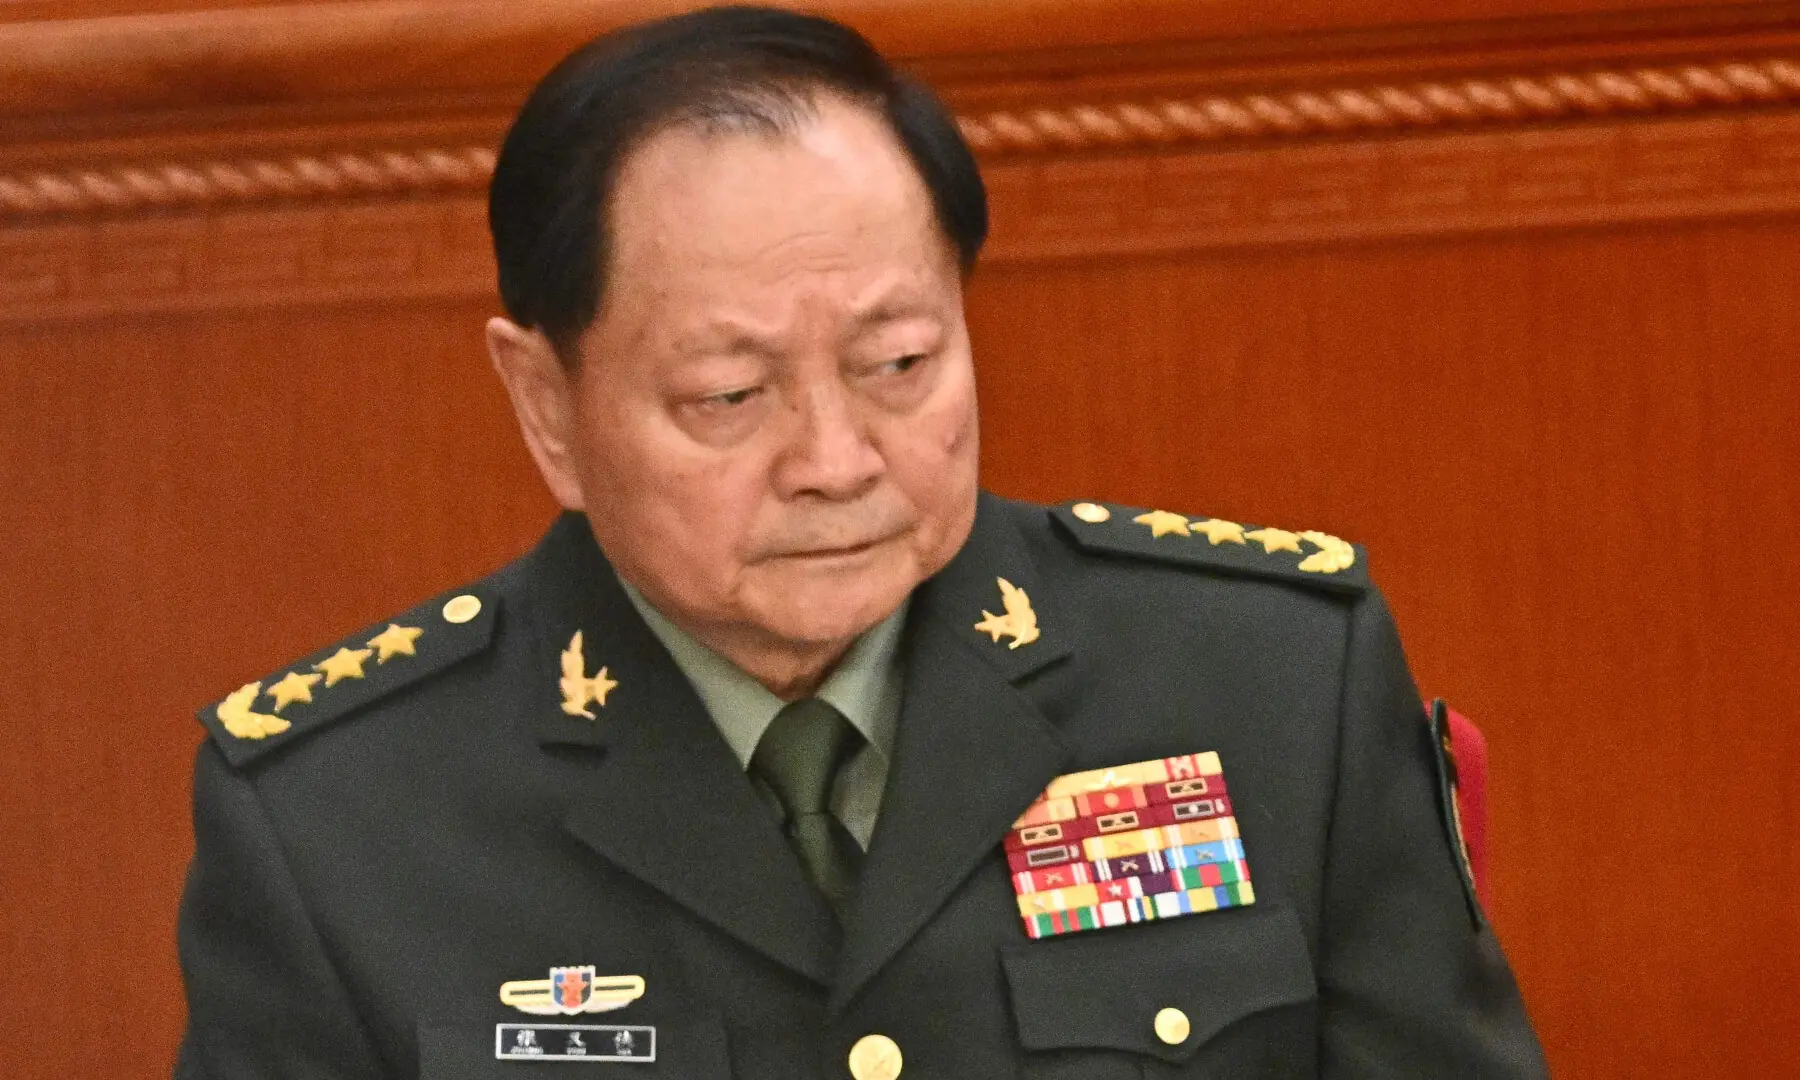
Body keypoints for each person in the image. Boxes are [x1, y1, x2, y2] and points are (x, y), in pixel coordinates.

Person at [174, 7, 1548, 1079]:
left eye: (898, 362)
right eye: (730, 395)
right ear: (546, 402)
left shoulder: (1269, 680)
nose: (836, 464)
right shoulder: (337, 821)